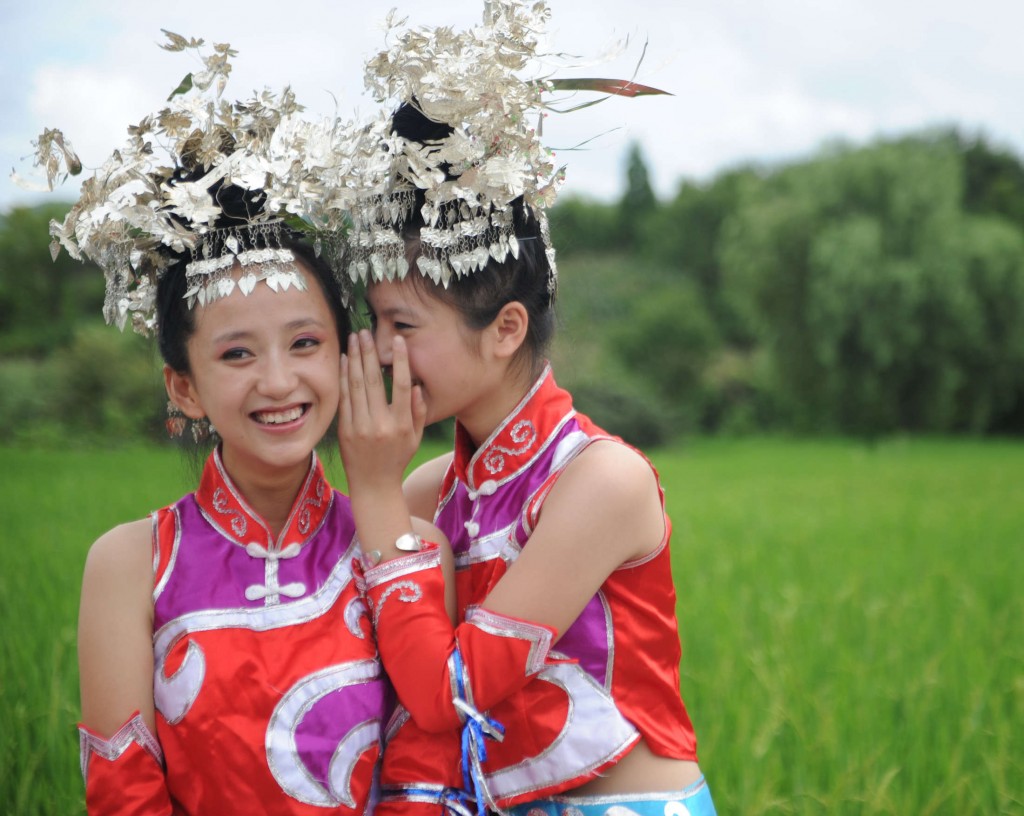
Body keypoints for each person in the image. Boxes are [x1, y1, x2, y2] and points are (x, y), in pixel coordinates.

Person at [30, 33, 447, 814]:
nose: (280, 382)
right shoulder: (130, 565)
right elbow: (124, 795)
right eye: (236, 355)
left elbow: (427, 770)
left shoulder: (406, 550)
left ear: (345, 354)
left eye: (305, 343)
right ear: (183, 387)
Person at [334, 3, 717, 815]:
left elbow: (453, 694)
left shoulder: (599, 480)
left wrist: (370, 490)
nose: (381, 351)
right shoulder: (432, 489)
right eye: (373, 324)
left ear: (506, 328)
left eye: (403, 325)